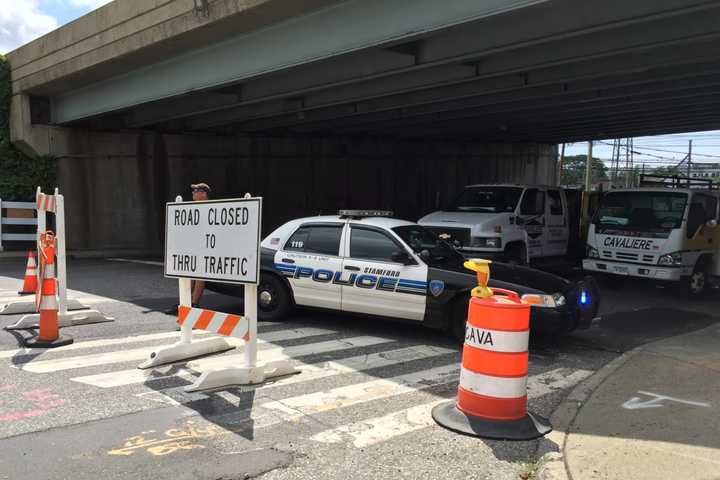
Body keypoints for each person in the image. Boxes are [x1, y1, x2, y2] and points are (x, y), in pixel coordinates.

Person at [165, 182, 211, 316]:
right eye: (193, 191)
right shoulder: (193, 207)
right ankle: (184, 303)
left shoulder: (210, 208)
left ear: (203, 193)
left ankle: (194, 304)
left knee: (199, 276)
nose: (193, 193)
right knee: (188, 274)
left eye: (196, 191)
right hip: (192, 245)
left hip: (204, 245)